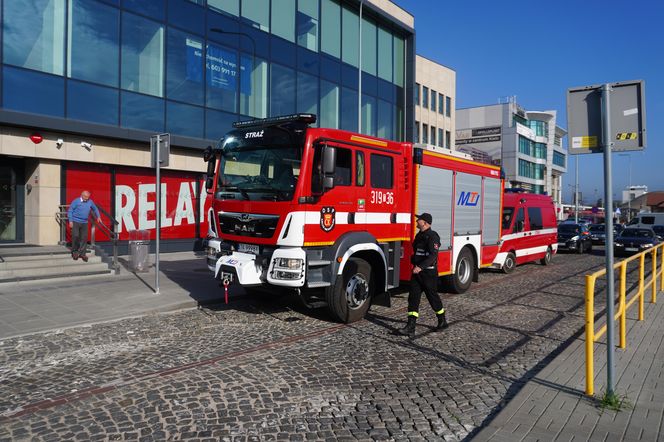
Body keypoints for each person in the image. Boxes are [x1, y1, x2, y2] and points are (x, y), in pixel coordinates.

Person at [398, 212, 448, 338]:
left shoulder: (432, 236)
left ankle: (442, 321)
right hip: (417, 272)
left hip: (428, 273)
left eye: (419, 220)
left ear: (425, 222)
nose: (416, 221)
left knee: (432, 297)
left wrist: (420, 267)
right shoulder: (419, 235)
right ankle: (411, 326)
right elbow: (417, 251)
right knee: (413, 298)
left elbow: (433, 255)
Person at [67, 190, 101, 262]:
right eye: (85, 197)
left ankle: (82, 254)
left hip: (84, 222)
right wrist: (70, 221)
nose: (87, 198)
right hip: (75, 221)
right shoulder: (76, 201)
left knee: (84, 238)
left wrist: (98, 216)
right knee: (75, 236)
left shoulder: (90, 202)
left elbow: (95, 208)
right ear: (82, 195)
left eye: (88, 197)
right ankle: (75, 252)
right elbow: (70, 210)